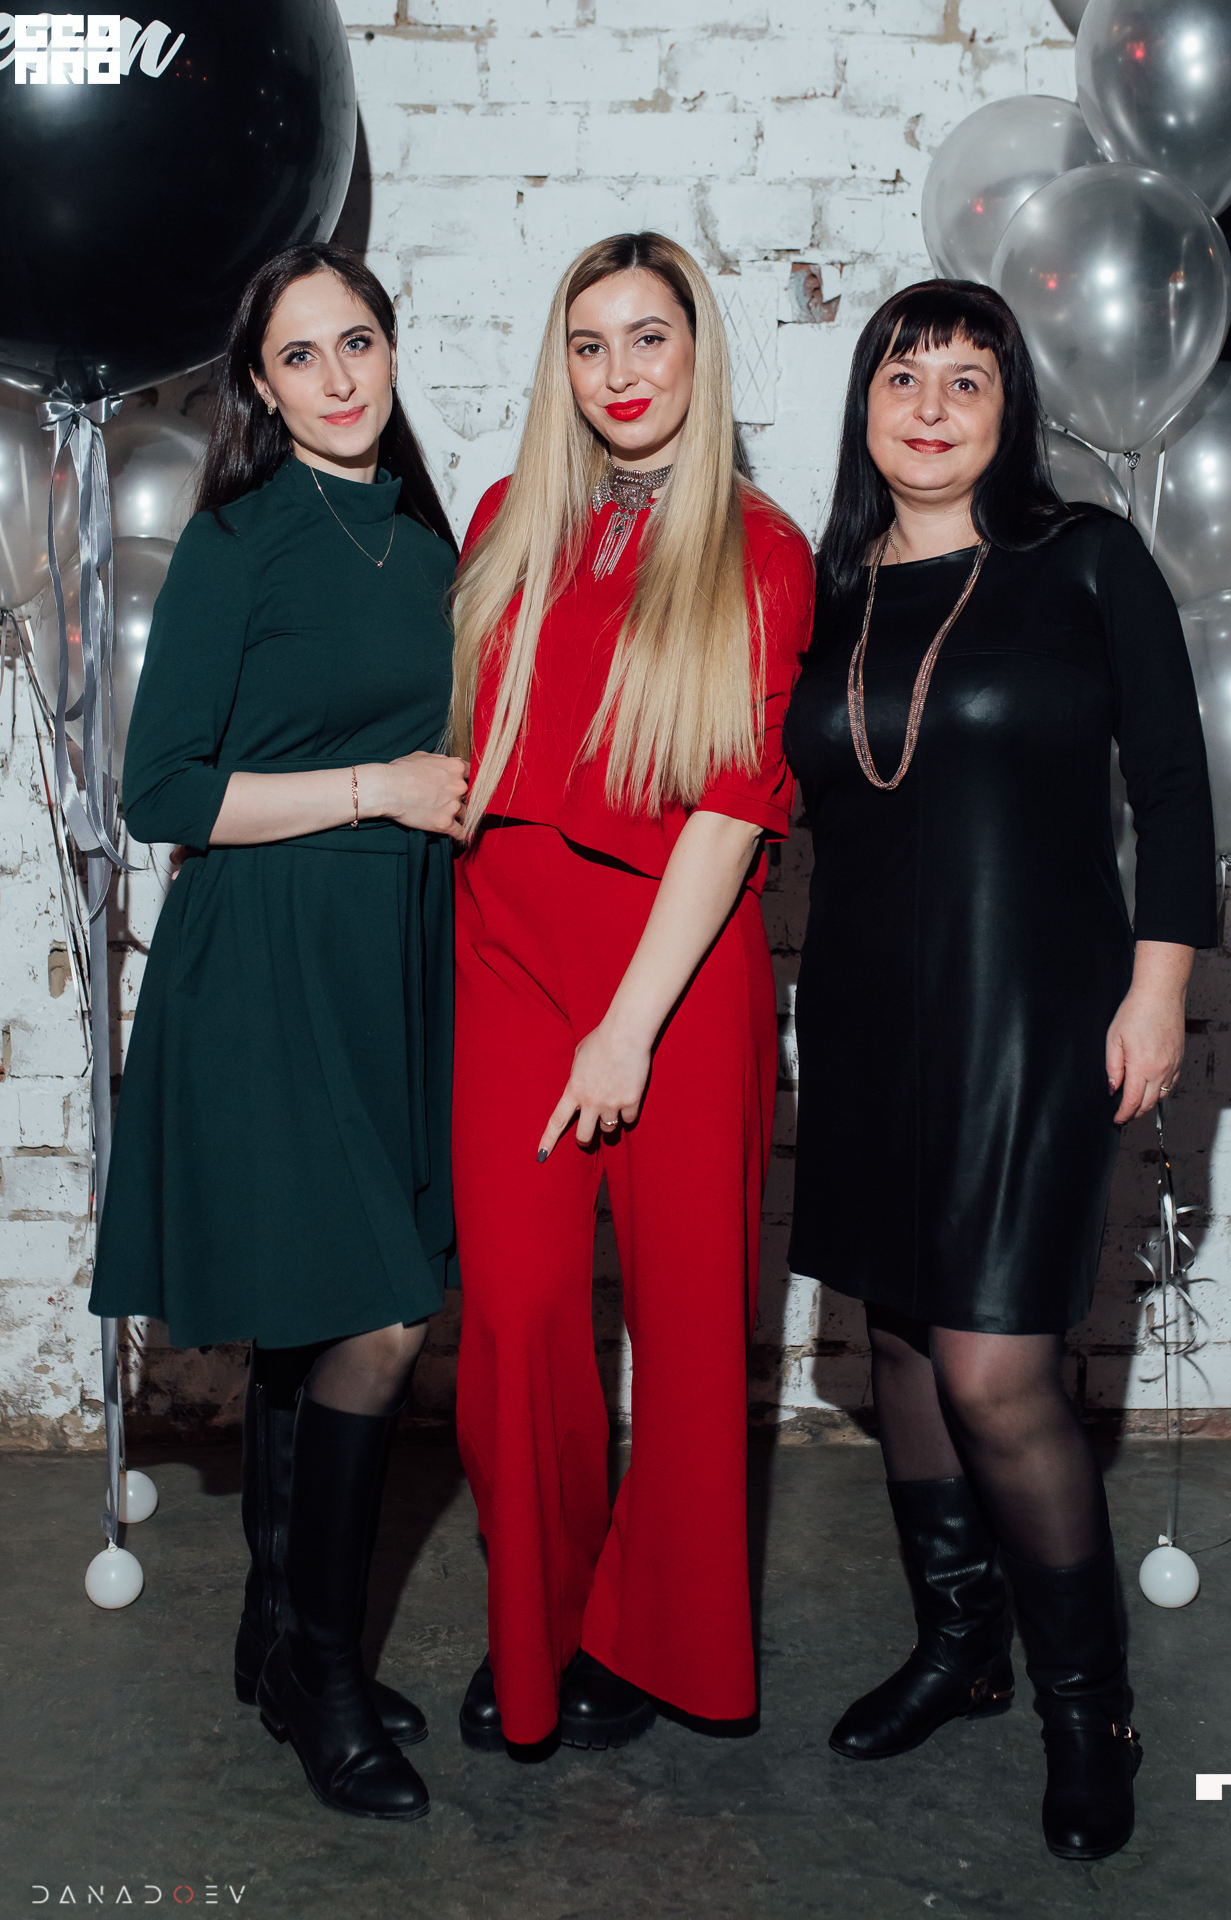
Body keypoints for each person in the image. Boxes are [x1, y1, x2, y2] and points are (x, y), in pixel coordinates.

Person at [781, 279, 1216, 1862]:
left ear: (1010, 409)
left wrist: (1158, 989)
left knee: (989, 1365)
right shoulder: (829, 593)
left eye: (968, 379)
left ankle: (1089, 1712)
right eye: (904, 376)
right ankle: (960, 1649)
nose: (933, 406)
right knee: (900, 1338)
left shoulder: (1085, 561)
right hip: (864, 1014)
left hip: (1037, 1019)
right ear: (865, 405)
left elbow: (1174, 787)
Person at [89, 243, 468, 1823]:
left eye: (356, 341)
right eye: (300, 355)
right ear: (259, 383)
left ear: (390, 348)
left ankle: (277, 1638)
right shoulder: (238, 541)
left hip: (392, 963)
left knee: (327, 1320)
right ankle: (324, 1675)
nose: (337, 377)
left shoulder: (428, 540)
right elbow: (160, 792)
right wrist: (382, 787)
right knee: (379, 1315)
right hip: (266, 962)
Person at [447, 232, 814, 1757]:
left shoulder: (762, 548)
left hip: (675, 972)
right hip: (508, 960)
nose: (619, 373)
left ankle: (658, 1642)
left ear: (697, 350)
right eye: (589, 344)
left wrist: (627, 1029)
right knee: (517, 1313)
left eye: (648, 337)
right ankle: (538, 1632)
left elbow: (731, 811)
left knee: (688, 1322)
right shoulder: (504, 524)